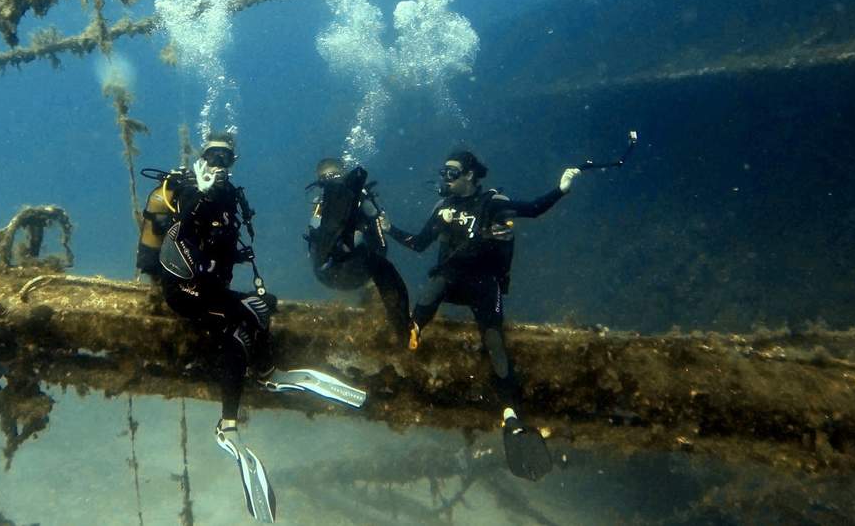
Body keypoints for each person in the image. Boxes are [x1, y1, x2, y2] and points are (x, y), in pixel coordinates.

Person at [149, 132, 366, 522]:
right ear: (202, 156)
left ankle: (267, 372)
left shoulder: (230, 196)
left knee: (261, 307)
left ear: (234, 162)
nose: (218, 164)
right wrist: (197, 194)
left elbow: (224, 244)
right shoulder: (186, 186)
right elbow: (183, 229)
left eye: (226, 158)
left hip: (211, 288)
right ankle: (228, 426)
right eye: (213, 156)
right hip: (184, 291)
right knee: (240, 323)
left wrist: (239, 253)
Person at [384, 149, 581, 481]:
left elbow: (531, 209)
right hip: (451, 279)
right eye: (443, 172)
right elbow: (419, 244)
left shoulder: (491, 202)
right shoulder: (442, 208)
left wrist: (561, 190)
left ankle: (511, 414)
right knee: (433, 286)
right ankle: (413, 330)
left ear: (470, 176)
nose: (445, 178)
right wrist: (388, 228)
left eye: (453, 172)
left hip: (483, 284)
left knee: (495, 343)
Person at [305, 157, 413, 347]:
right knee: (386, 271)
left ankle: (402, 331)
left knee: (379, 266)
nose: (332, 180)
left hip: (329, 273)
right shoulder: (339, 200)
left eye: (335, 175)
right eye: (327, 177)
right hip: (347, 272)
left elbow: (313, 240)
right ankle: (403, 332)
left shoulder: (325, 202)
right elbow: (380, 240)